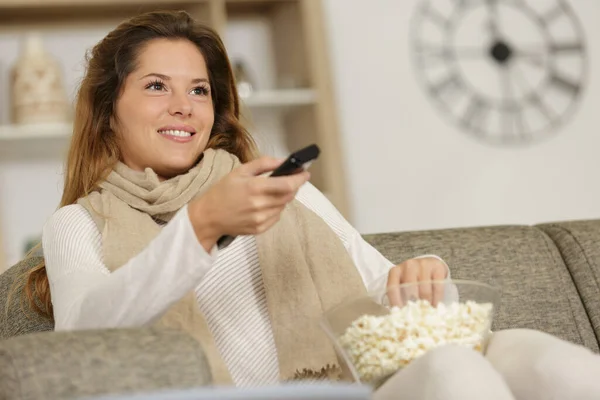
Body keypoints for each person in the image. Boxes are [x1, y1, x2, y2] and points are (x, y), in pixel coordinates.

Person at [24, 10, 600, 400]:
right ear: (107, 110)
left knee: (537, 355)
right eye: (156, 86)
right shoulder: (78, 224)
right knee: (455, 369)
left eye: (198, 89)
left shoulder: (274, 185)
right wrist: (202, 226)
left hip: (369, 380)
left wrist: (424, 278)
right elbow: (86, 335)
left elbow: (381, 291)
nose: (183, 106)